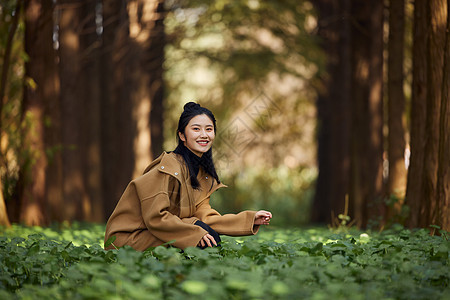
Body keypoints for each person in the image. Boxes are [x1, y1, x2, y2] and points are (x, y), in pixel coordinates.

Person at [104, 102, 272, 251]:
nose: (204, 135)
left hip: (154, 234)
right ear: (182, 136)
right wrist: (193, 233)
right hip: (127, 240)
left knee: (209, 237)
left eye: (209, 129)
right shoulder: (167, 168)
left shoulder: (200, 172)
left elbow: (205, 216)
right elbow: (156, 218)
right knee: (203, 239)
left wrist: (250, 219)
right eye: (196, 129)